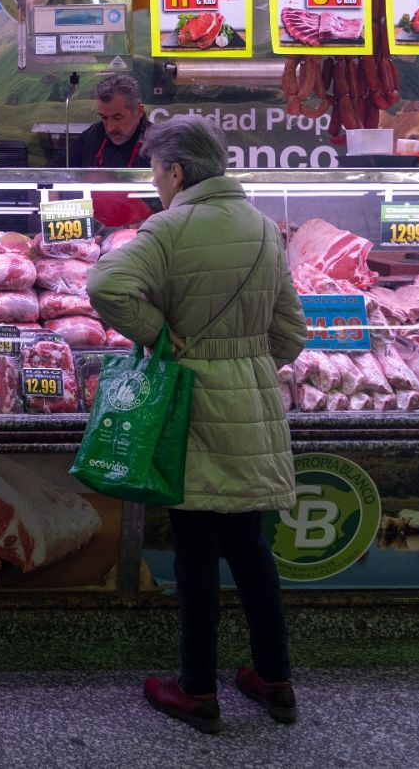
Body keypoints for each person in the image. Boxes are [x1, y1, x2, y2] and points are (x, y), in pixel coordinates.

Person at [86, 115, 308, 735]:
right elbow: (293, 332)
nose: (156, 184)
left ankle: (197, 689)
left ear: (176, 171)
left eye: (156, 171)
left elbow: (106, 283)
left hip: (189, 405)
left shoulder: (170, 226)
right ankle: (276, 679)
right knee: (251, 549)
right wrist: (247, 365)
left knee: (194, 551)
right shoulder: (264, 229)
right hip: (252, 406)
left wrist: (163, 339)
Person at [70, 74, 157, 229]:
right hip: (94, 234)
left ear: (139, 111)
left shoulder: (159, 142)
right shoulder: (93, 135)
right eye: (104, 118)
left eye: (117, 118)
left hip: (142, 235)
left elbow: (174, 199)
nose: (110, 128)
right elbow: (55, 173)